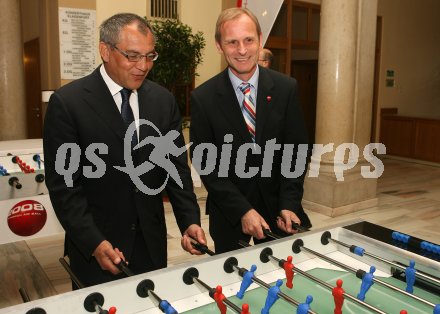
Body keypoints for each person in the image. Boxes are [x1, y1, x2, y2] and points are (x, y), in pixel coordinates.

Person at [43, 13, 206, 287]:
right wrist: (94, 242)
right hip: (97, 249)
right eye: (132, 56)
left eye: (149, 56)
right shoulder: (68, 104)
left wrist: (189, 220)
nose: (142, 66)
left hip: (151, 243)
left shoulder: (163, 101)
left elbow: (176, 169)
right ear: (105, 50)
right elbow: (64, 187)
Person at [190, 7, 311, 253]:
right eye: (232, 42)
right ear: (219, 46)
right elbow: (206, 164)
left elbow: (296, 151)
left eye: (248, 40)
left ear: (260, 40)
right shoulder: (203, 98)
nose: (242, 50)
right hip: (229, 217)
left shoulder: (286, 88)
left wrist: (289, 203)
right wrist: (242, 210)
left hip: (280, 214)